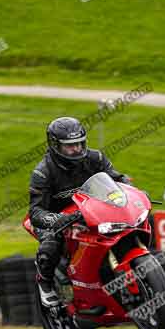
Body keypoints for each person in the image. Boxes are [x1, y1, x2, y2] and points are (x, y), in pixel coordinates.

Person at [29, 116, 131, 310]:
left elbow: (117, 180)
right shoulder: (43, 172)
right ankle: (45, 282)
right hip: (57, 217)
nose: (76, 149)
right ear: (55, 146)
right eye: (69, 146)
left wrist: (132, 190)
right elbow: (35, 211)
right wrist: (56, 219)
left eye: (79, 143)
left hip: (92, 211)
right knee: (51, 244)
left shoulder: (96, 158)